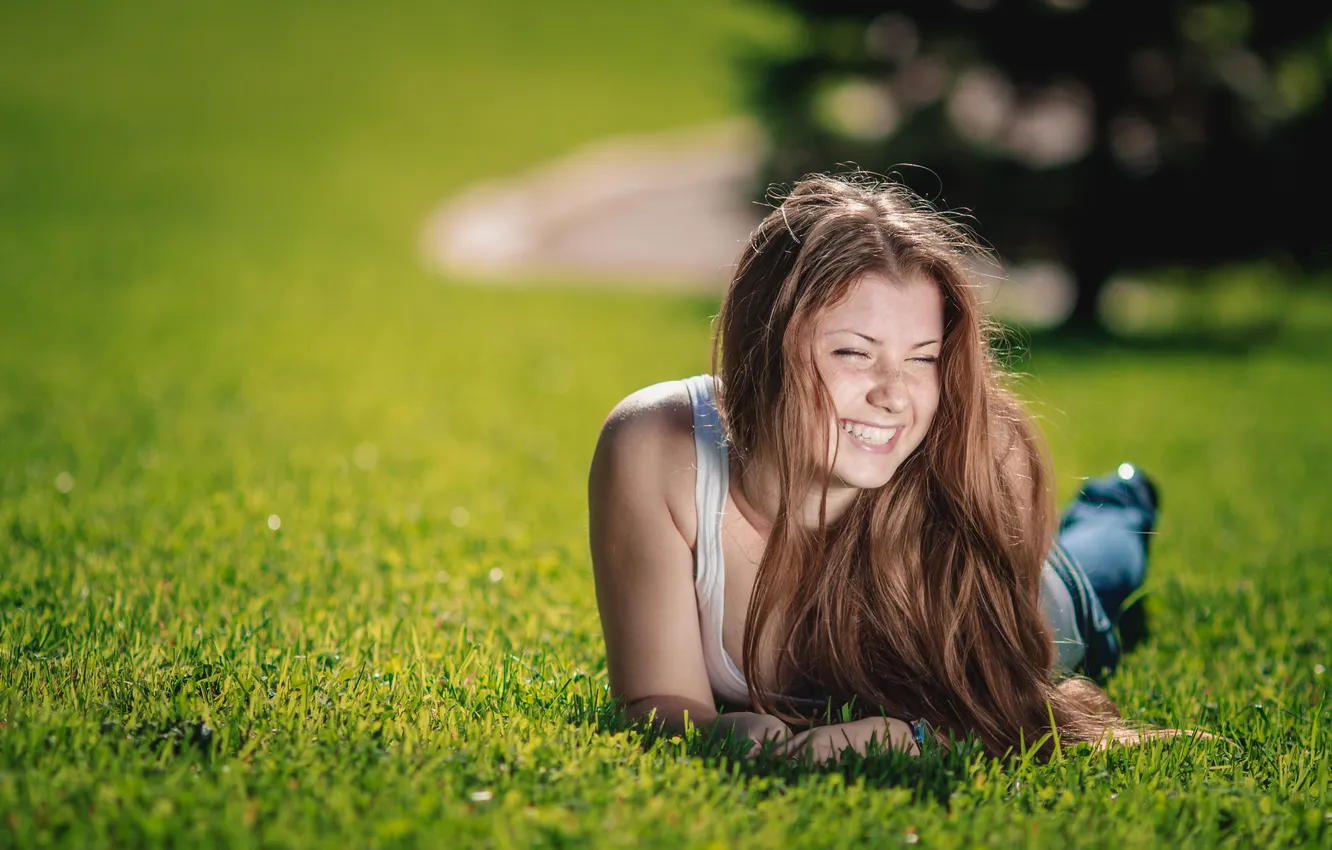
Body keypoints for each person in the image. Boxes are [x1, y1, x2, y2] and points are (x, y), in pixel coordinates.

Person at [587, 174, 1164, 763]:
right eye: (855, 353)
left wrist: (905, 737)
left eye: (922, 360)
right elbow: (657, 697)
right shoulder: (657, 446)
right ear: (764, 348)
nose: (894, 397)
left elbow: (1008, 709)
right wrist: (720, 732)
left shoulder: (979, 459)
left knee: (1103, 564)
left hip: (1054, 604)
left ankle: (1120, 500)